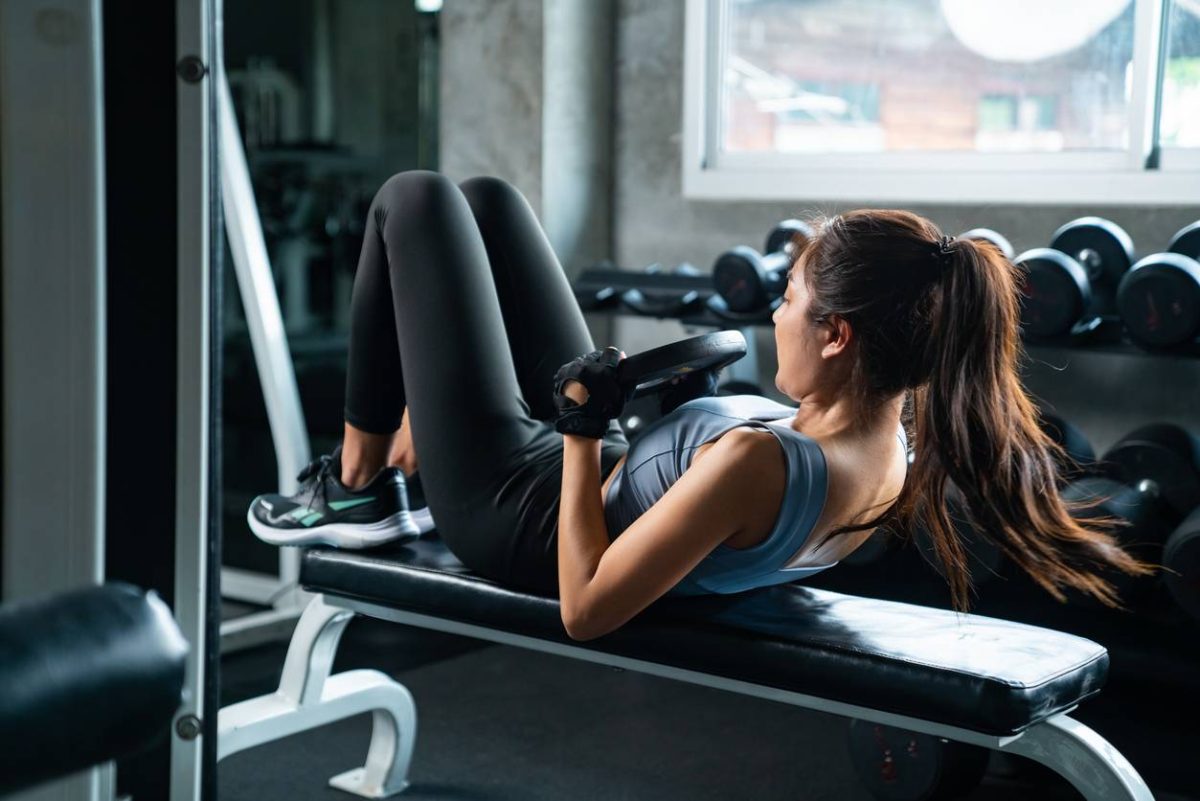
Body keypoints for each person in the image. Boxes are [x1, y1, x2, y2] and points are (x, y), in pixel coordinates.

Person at [249, 170, 1152, 642]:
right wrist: (690, 405)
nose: (774, 310)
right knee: (487, 203)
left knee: (413, 201)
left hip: (521, 513)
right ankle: (396, 449)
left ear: (838, 336)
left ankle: (360, 481)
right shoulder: (890, 439)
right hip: (611, 463)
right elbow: (721, 506)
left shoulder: (760, 463)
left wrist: (580, 430)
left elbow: (588, 606)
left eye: (790, 298)